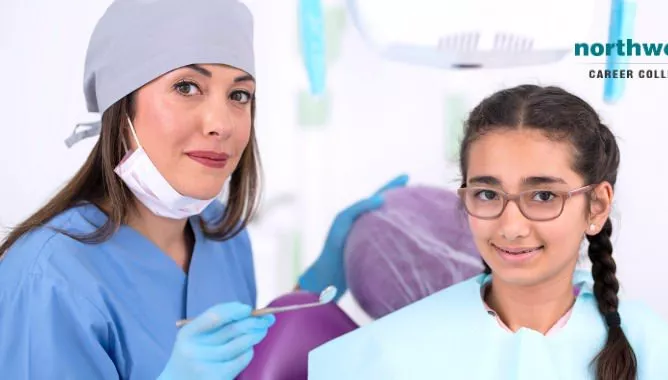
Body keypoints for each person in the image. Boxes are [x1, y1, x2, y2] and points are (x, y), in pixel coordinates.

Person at [0, 0, 407, 378]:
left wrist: (312, 290)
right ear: (121, 107)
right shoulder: (48, 280)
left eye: (239, 95)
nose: (222, 123)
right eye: (186, 87)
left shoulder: (222, 235)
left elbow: (247, 357)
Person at [308, 85, 668, 379]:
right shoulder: (381, 356)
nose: (511, 227)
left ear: (597, 206)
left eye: (544, 197)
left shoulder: (664, 358)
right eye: (487, 194)